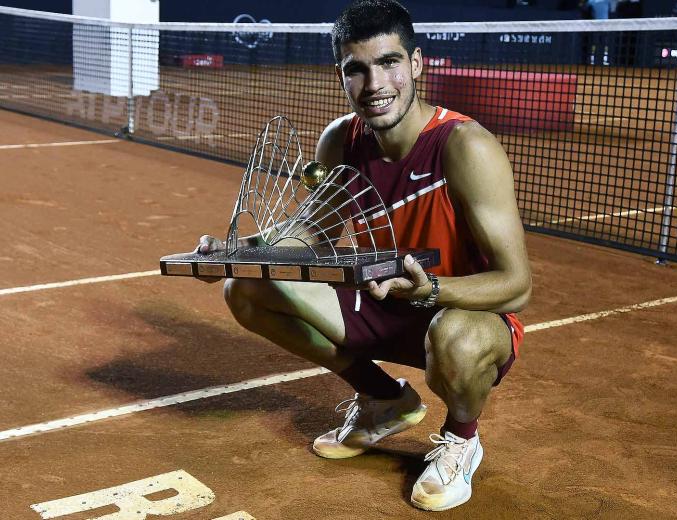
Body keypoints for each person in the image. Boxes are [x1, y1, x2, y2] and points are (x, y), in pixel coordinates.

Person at [197, 0, 531, 511]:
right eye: (357, 69)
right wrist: (238, 252)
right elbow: (310, 232)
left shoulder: (464, 146)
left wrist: (433, 290)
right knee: (245, 288)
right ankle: (383, 399)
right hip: (379, 301)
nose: (375, 83)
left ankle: (462, 438)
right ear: (342, 76)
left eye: (389, 62)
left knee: (456, 337)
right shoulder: (340, 140)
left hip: (457, 313)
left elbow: (516, 284)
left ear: (416, 63)